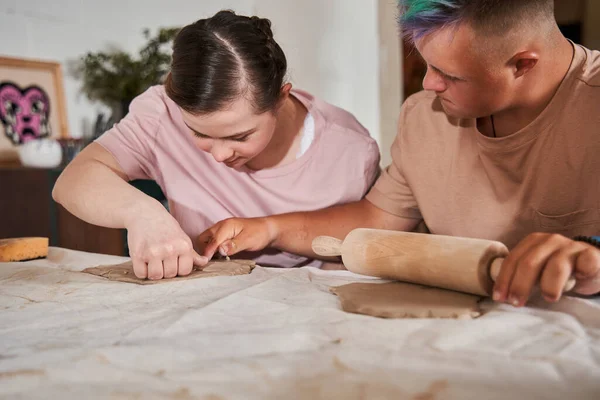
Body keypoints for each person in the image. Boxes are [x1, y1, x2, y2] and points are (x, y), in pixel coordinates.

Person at [199, 0, 600, 307]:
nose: (429, 84)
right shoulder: (424, 117)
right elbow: (377, 218)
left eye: (451, 75)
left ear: (522, 64)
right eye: (426, 64)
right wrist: (270, 228)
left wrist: (591, 254)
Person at [52, 10, 380, 280]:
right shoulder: (161, 115)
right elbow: (74, 180)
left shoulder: (348, 150)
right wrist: (142, 212)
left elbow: (376, 230)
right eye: (199, 133)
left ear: (281, 98)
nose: (220, 156)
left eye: (240, 137)